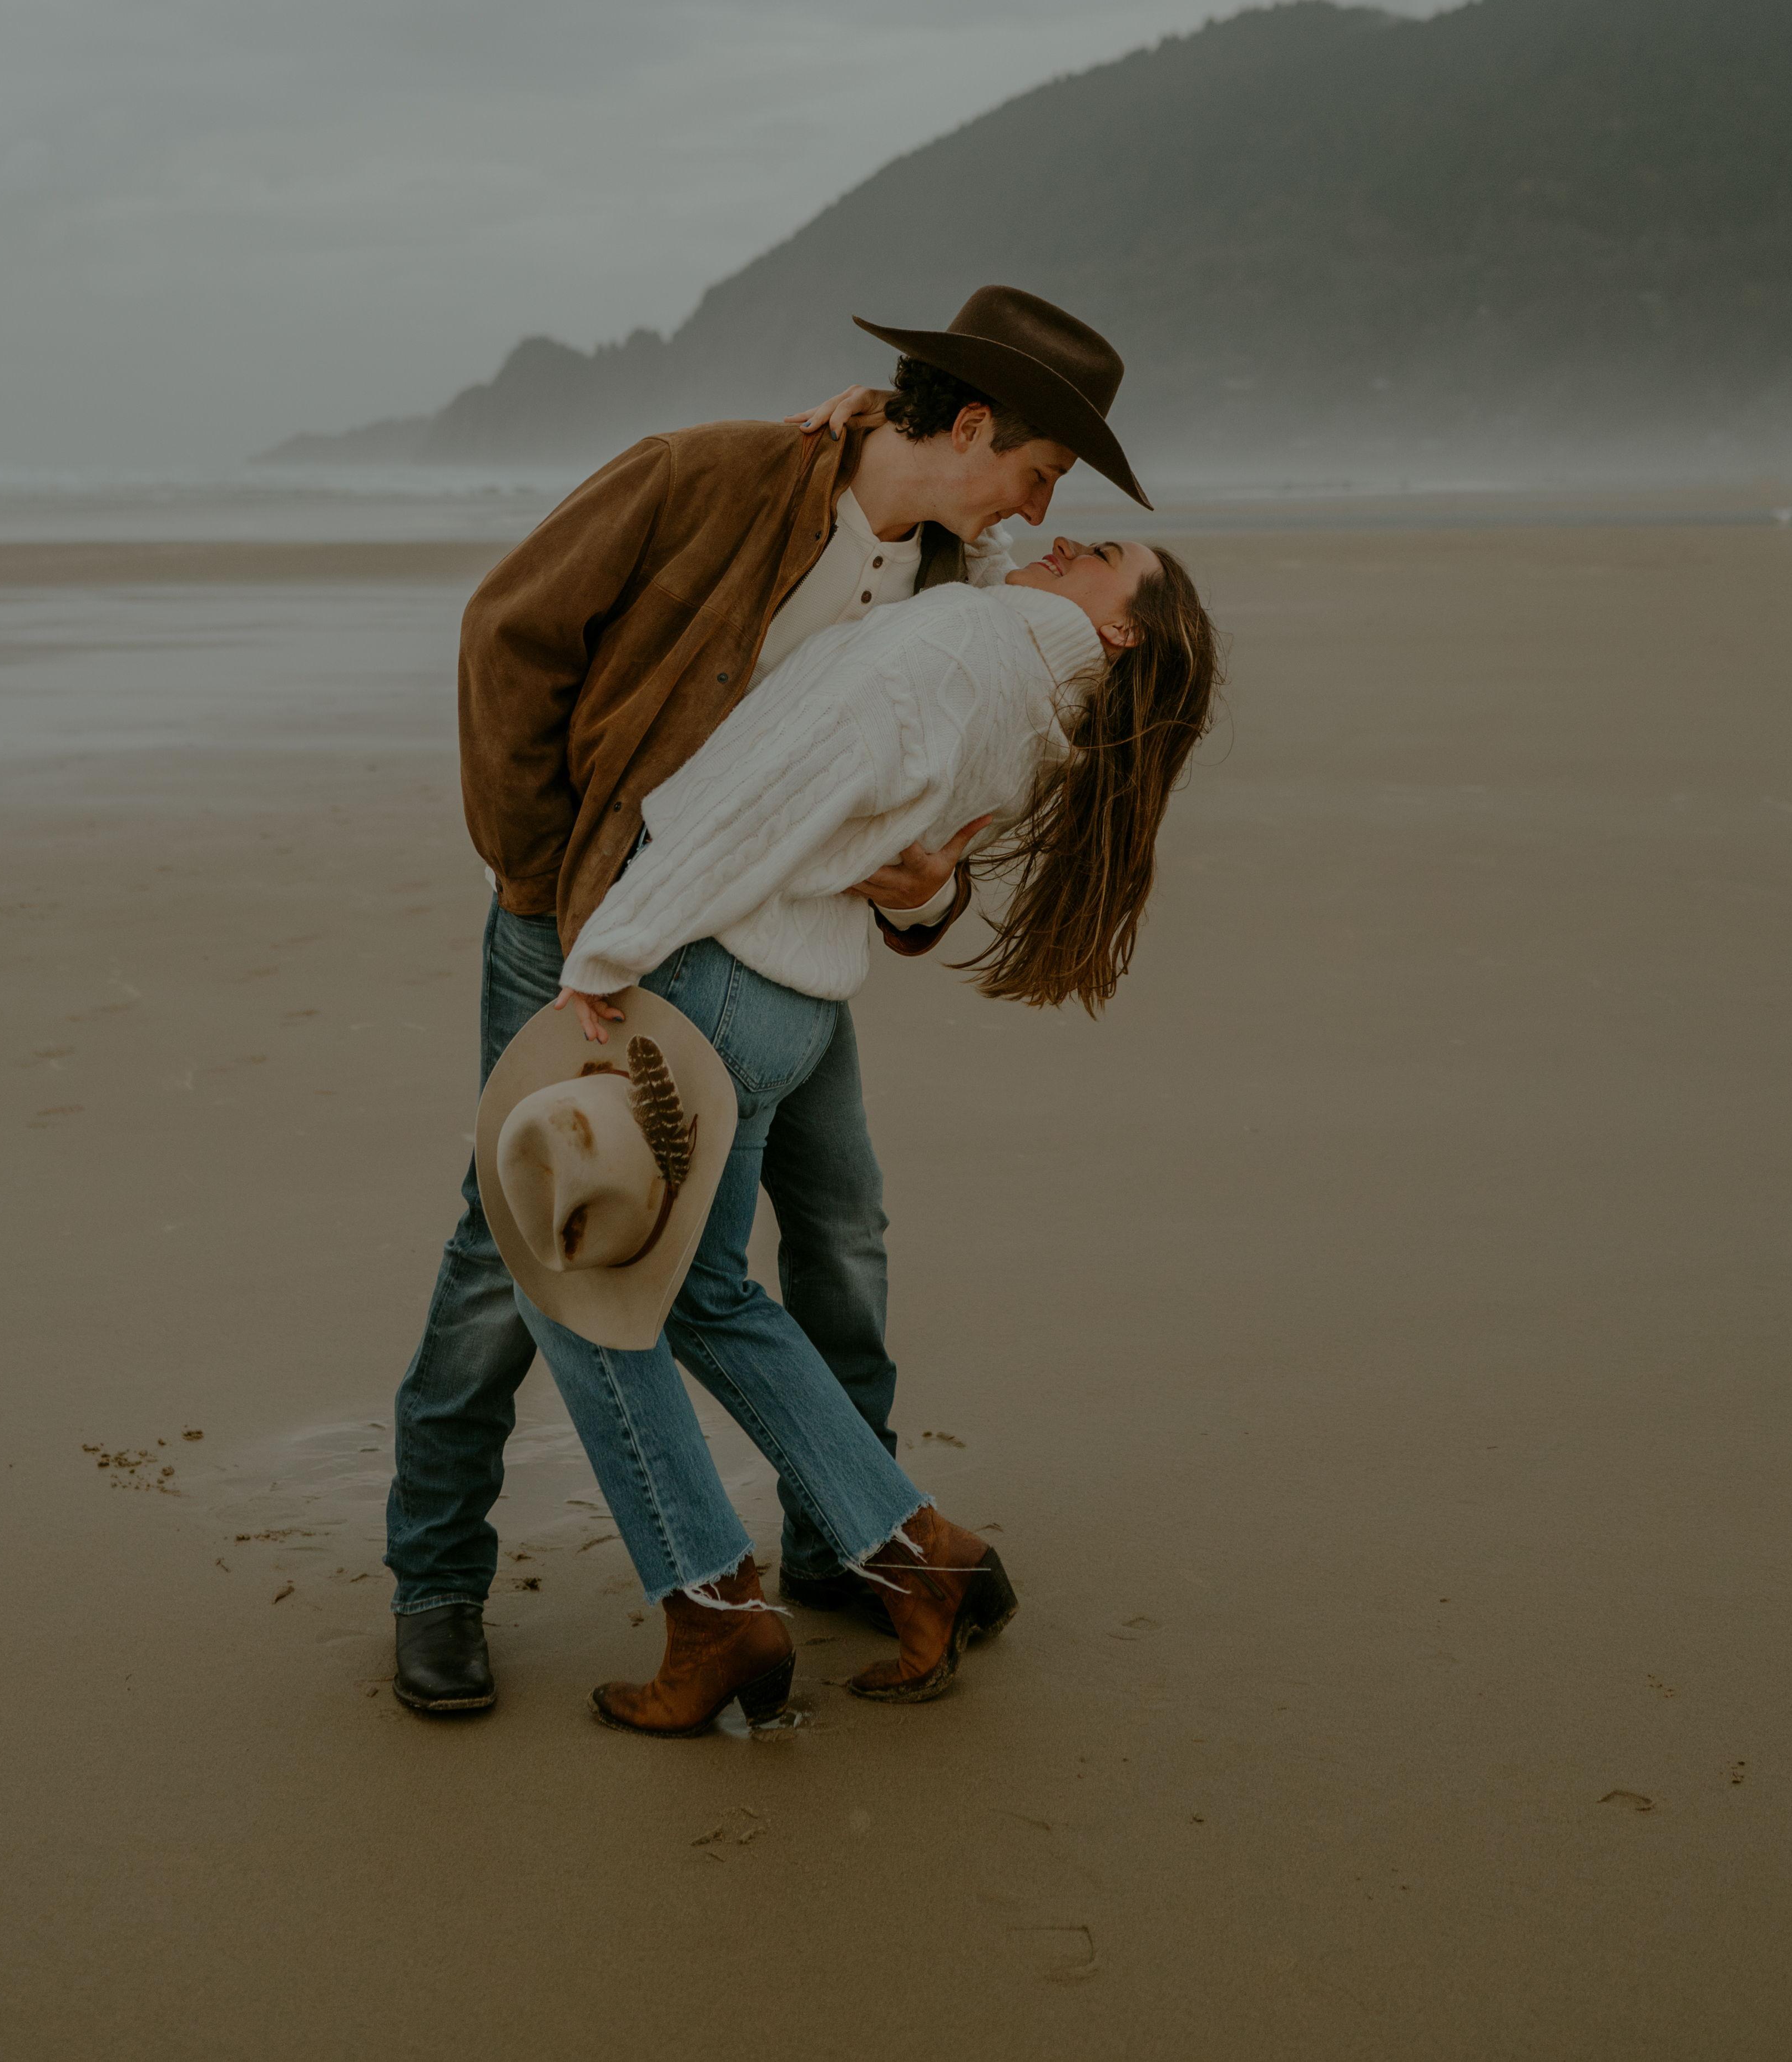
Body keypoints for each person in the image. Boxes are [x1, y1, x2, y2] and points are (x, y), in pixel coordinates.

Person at [382, 286, 1153, 1717]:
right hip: (592, 923)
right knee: (527, 1244)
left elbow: (923, 823)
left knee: (842, 1232)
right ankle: (436, 1579)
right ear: (970, 424)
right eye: (1039, 472)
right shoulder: (711, 474)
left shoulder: (959, 585)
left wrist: (920, 890)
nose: (1039, 511)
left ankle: (846, 1538)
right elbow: (510, 631)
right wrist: (547, 876)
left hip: (778, 958)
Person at [514, 524, 1223, 1731]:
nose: (1061, 535)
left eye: (1102, 549)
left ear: (1119, 628)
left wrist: (612, 944)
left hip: (717, 977)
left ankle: (714, 1613)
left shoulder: (956, 645)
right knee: (708, 1295)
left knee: (591, 1285)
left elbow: (766, 795)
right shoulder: (1035, 703)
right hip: (797, 1000)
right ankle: (917, 1558)